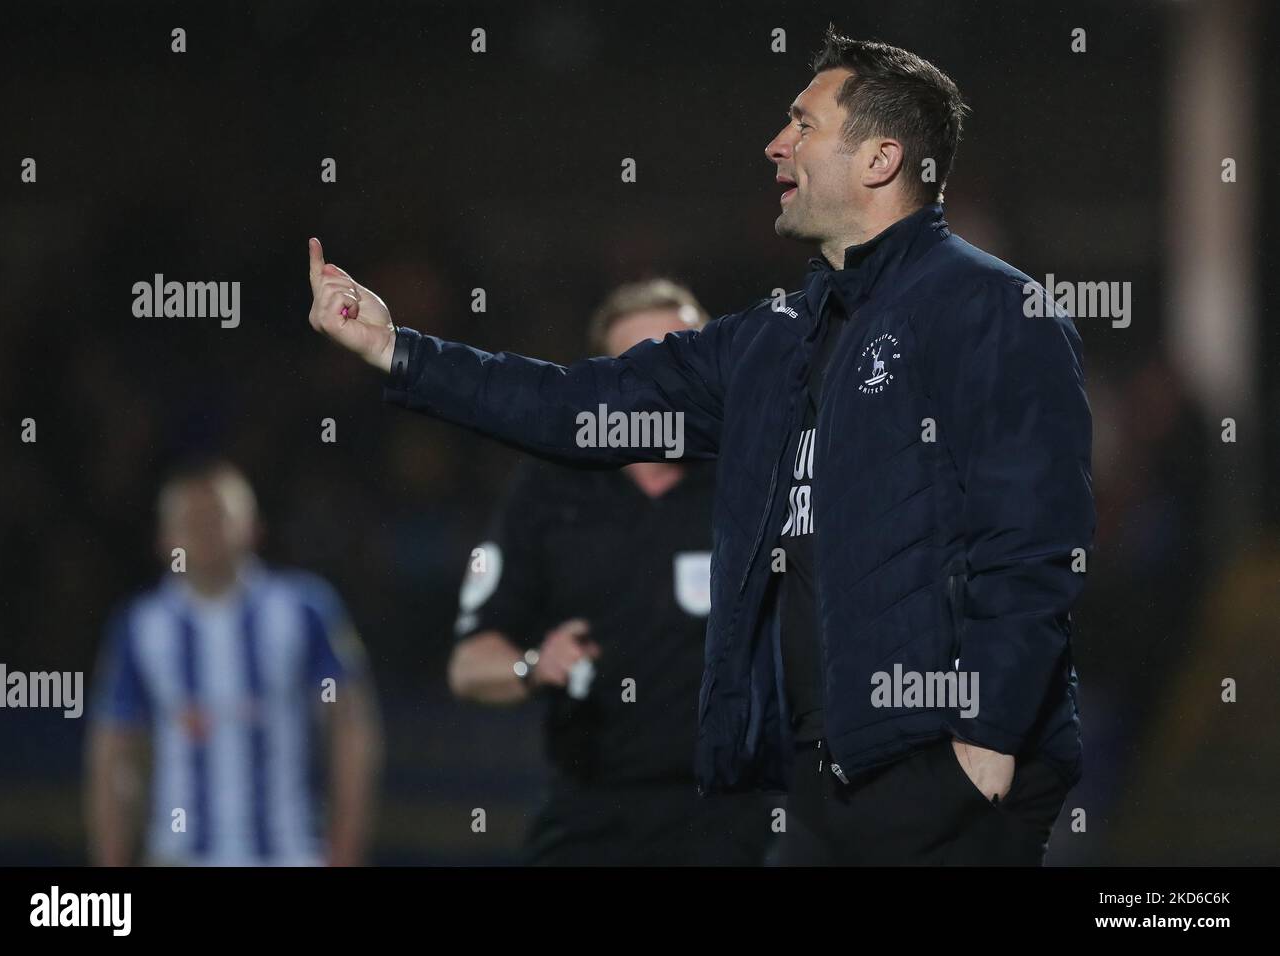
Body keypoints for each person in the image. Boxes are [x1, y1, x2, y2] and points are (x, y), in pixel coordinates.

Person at [306, 27, 1094, 865]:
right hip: (817, 774)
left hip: (941, 765)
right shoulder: (771, 338)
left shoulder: (991, 309)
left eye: (802, 123)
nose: (775, 144)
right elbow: (583, 403)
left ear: (879, 159)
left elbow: (1035, 541)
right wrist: (403, 352)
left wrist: (990, 738)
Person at [448, 280, 774, 865]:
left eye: (681, 356)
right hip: (592, 816)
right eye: (638, 364)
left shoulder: (764, 478)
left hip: (740, 817)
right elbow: (469, 665)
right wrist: (530, 665)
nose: (662, 381)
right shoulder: (551, 488)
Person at [86, 458, 382, 866]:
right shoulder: (140, 626)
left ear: (254, 528)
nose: (205, 532)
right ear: (164, 539)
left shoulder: (304, 609)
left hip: (287, 855)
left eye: (218, 517)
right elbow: (115, 754)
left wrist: (345, 853)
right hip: (179, 858)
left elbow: (351, 732)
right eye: (190, 521)